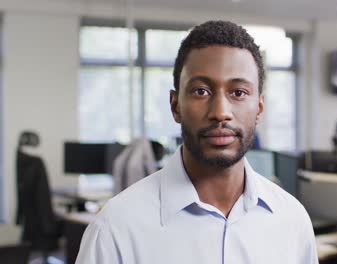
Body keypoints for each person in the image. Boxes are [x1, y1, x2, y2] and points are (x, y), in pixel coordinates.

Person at [76, 20, 318, 264]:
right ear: (175, 105)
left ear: (259, 108)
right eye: (201, 91)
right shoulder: (115, 229)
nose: (221, 112)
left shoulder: (292, 220)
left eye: (238, 92)